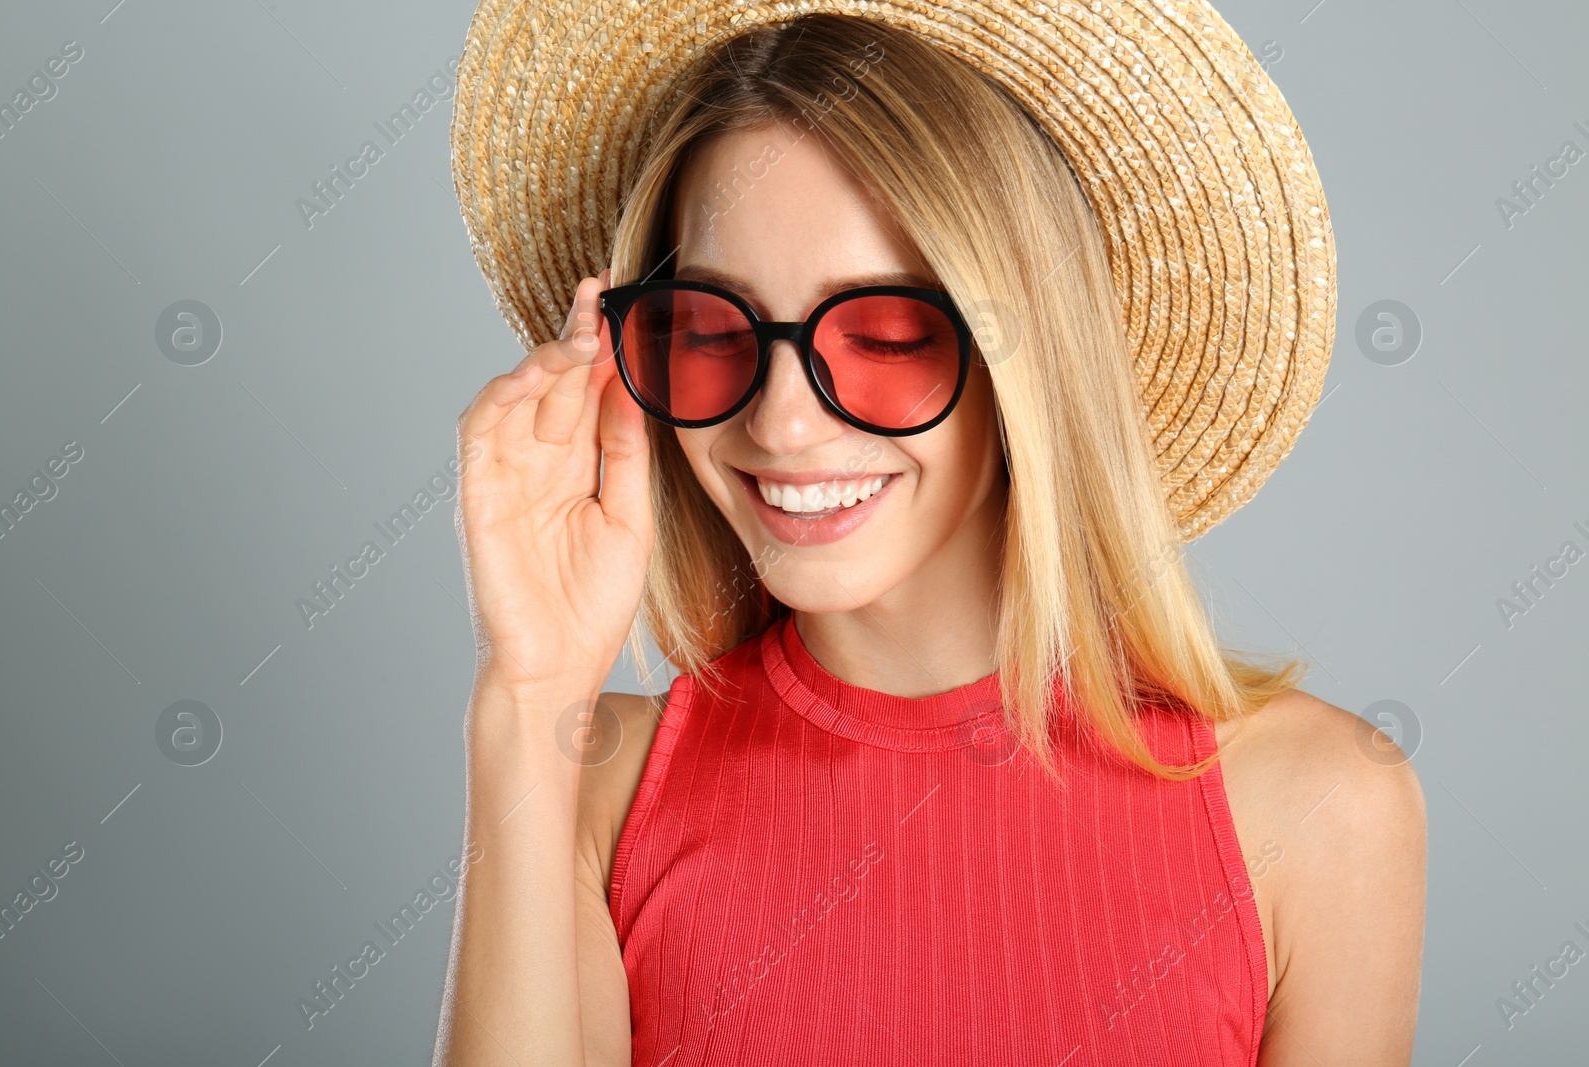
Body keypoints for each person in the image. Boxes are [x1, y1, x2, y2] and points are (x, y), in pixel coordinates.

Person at [435, 8, 1426, 1066]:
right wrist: (527, 696)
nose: (777, 422)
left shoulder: (1324, 805)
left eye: (887, 334)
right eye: (713, 331)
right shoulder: (598, 785)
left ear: (1025, 363)